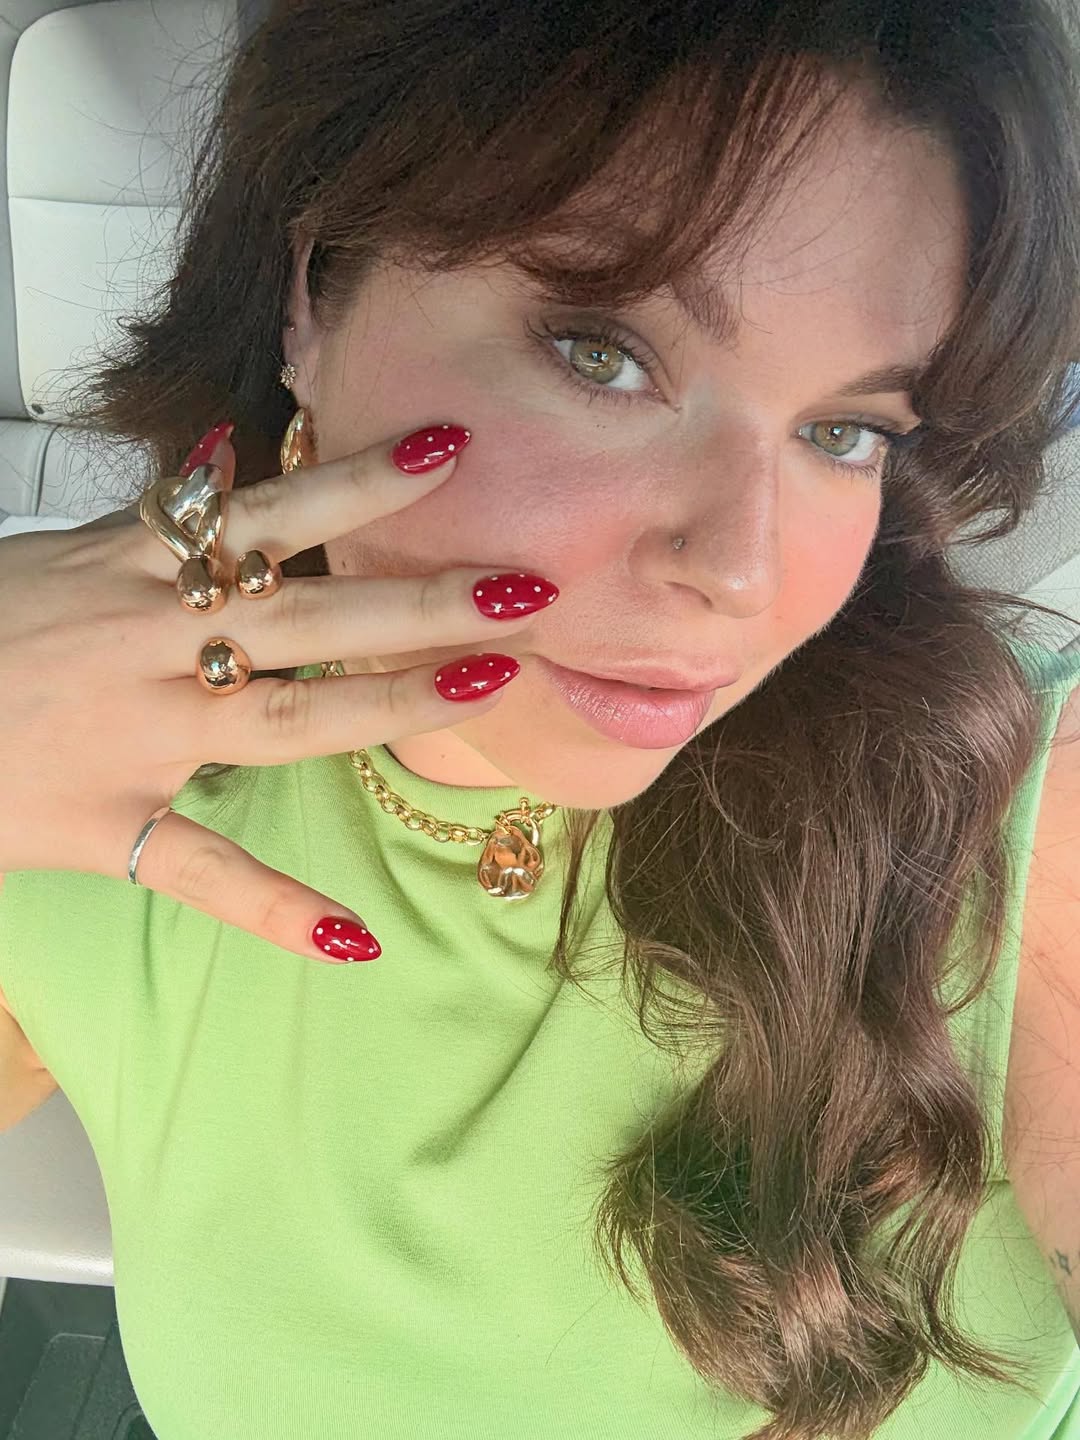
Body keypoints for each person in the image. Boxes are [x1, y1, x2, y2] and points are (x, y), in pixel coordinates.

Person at [1, 0, 1079, 1435]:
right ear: (311, 294)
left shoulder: (1020, 829)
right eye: (601, 353)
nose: (741, 572)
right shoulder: (61, 773)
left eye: (844, 433)